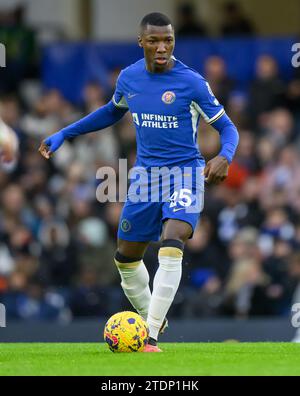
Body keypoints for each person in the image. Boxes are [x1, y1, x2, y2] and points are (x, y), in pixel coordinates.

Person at [39, 12, 239, 352]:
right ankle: (152, 317)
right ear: (141, 42)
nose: (162, 48)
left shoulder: (191, 82)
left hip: (185, 173)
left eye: (168, 41)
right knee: (125, 258)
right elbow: (111, 111)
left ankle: (150, 337)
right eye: (155, 41)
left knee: (171, 242)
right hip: (146, 177)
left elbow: (228, 128)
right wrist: (64, 133)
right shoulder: (129, 78)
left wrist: (225, 156)